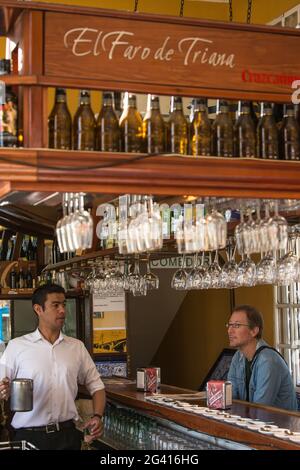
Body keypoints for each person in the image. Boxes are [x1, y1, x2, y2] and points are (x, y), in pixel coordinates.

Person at [0, 284, 106, 450]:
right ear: (38, 309)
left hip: (67, 435)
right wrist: (4, 389)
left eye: (64, 304)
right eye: (55, 305)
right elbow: (2, 385)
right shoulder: (16, 346)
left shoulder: (76, 347)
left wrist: (98, 416)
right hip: (28, 437)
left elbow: (97, 386)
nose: (62, 310)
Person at [227, 304, 298, 411]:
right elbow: (230, 398)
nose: (230, 331)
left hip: (280, 425)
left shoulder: (268, 361)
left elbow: (260, 410)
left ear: (254, 331)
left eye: (236, 325)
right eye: (229, 325)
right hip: (253, 422)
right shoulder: (238, 357)